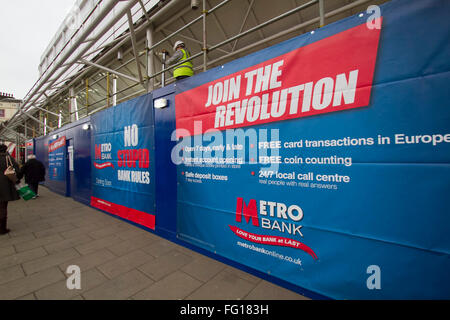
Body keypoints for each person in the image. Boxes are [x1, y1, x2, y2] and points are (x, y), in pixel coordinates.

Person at [0, 144, 20, 234]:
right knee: (3, 206)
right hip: (5, 185)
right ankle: (2, 228)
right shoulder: (8, 158)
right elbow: (17, 169)